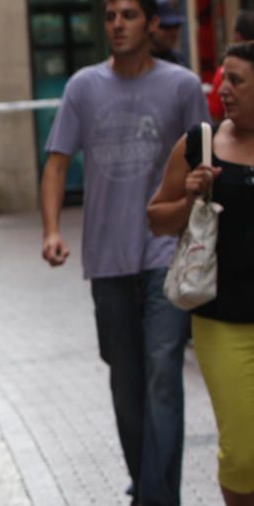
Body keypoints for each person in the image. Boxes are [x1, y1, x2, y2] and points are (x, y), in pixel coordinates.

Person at [40, 0, 210, 505]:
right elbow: (57, 162)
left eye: (129, 15)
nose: (117, 24)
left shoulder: (182, 87)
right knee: (125, 382)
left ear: (152, 25)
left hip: (165, 255)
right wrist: (51, 230)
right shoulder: (83, 88)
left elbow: (205, 161)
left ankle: (159, 498)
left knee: (163, 373)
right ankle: (147, 483)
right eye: (111, 15)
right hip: (107, 259)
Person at [148, 41, 254, 506]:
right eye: (221, 78)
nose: (223, 89)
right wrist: (192, 196)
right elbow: (156, 218)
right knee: (244, 453)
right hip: (223, 321)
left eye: (237, 80)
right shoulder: (199, 144)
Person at [208, 11, 254, 123]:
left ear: (237, 36)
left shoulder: (224, 70)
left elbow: (215, 115)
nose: (222, 90)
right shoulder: (205, 136)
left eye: (235, 80)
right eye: (225, 79)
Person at [151, 0, 189, 68]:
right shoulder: (136, 61)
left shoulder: (179, 60)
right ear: (150, 26)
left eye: (176, 26)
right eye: (166, 26)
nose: (172, 32)